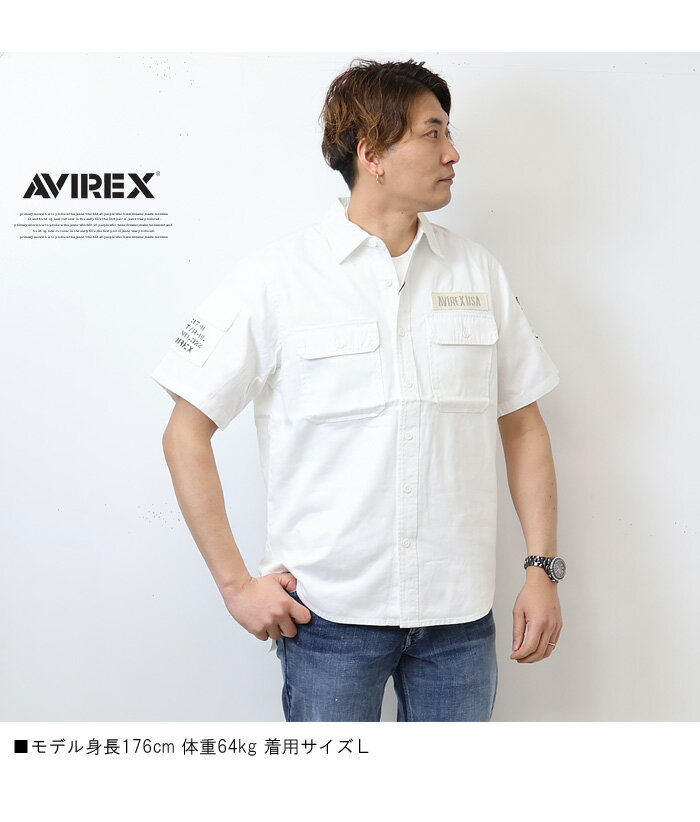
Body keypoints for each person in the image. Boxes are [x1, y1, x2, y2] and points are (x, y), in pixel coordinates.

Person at [151, 57, 565, 722]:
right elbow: (185, 432)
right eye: (432, 133)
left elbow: (523, 425)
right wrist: (236, 586)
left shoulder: (477, 272)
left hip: (460, 619)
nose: (453, 153)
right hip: (328, 620)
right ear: (371, 153)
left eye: (448, 132)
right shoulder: (277, 278)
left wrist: (542, 568)